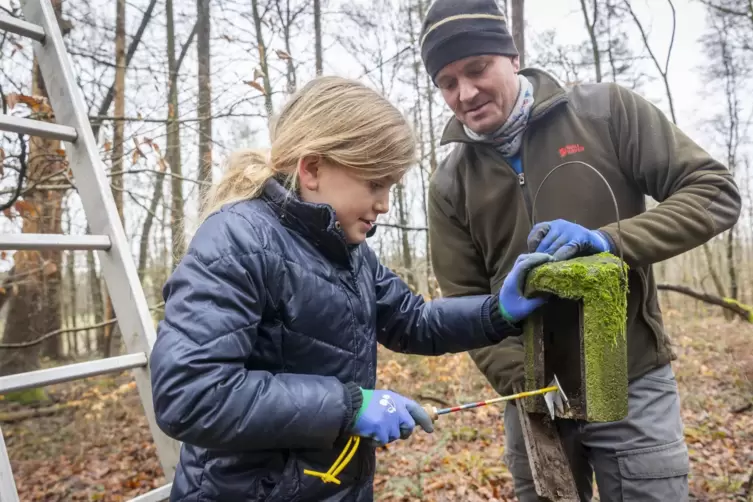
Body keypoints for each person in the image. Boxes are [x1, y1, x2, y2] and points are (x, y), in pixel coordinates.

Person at [148, 75, 555, 502]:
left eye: (390, 187)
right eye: (375, 184)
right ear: (313, 169)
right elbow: (189, 392)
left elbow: (413, 322)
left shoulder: (350, 252)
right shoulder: (236, 240)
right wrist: (349, 406)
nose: (384, 204)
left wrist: (496, 313)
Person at [419, 0, 742, 500]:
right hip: (532, 403)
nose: (465, 93)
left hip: (633, 385)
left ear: (512, 55)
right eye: (446, 82)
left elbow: (715, 193)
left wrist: (612, 240)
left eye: (477, 69)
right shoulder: (449, 184)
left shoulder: (606, 113)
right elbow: (464, 302)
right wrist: (525, 384)